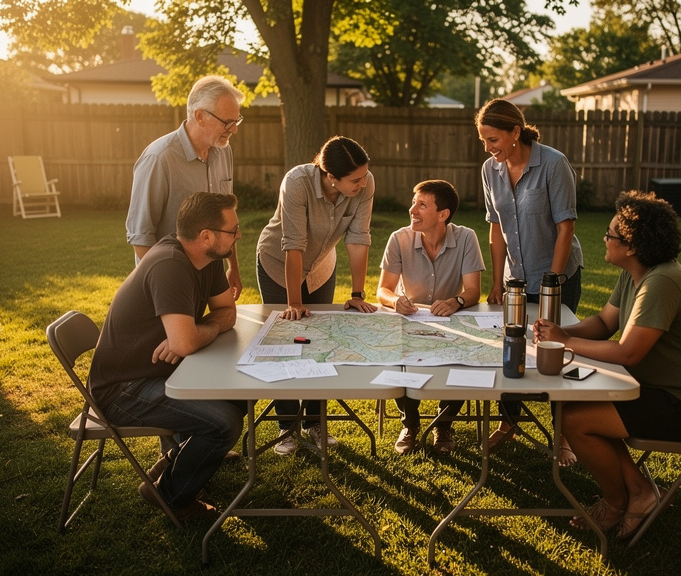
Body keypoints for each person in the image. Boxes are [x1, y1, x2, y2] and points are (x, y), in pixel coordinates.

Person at [533, 190, 681, 539]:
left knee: (576, 421)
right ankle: (639, 490)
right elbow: (605, 323)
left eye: (611, 234)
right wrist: (562, 331)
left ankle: (620, 500)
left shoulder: (661, 283)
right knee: (571, 404)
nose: (604, 238)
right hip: (664, 391)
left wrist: (566, 344)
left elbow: (628, 354)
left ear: (632, 246)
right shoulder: (637, 272)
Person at [90, 191, 247, 524]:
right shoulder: (170, 265)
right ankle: (171, 495)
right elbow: (187, 341)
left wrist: (199, 330)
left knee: (240, 395)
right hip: (122, 389)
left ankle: (174, 462)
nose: (239, 235)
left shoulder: (208, 260)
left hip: (158, 373)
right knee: (224, 423)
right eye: (233, 230)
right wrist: (193, 335)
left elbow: (226, 313)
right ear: (207, 236)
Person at [475, 98, 584, 464]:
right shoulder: (491, 170)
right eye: (484, 141)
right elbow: (496, 230)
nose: (489, 149)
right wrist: (496, 282)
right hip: (516, 281)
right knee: (511, 346)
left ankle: (564, 433)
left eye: (493, 140)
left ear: (515, 132)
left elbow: (565, 226)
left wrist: (551, 281)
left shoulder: (553, 164)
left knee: (553, 352)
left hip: (557, 275)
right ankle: (509, 422)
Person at [256, 135, 377, 455]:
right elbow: (292, 244)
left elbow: (358, 239)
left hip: (322, 266)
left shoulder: (365, 185)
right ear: (330, 177)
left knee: (318, 342)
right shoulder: (297, 182)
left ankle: (314, 422)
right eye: (355, 179)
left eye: (365, 175)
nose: (363, 184)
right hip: (278, 263)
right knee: (287, 342)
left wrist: (357, 293)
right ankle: (286, 428)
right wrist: (294, 302)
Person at [377, 180, 485, 455]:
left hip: (452, 321)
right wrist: (394, 301)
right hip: (409, 320)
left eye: (422, 204)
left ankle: (444, 423)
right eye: (414, 202)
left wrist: (456, 301)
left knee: (466, 358)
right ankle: (410, 425)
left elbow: (473, 291)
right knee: (399, 357)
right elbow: (383, 290)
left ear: (443, 214)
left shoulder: (466, 237)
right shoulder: (398, 238)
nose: (412, 209)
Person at [126, 75, 246, 300]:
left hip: (210, 273)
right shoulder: (159, 158)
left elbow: (227, 218)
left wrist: (233, 267)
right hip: (168, 279)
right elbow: (141, 237)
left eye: (236, 120)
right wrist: (168, 286)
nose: (234, 129)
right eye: (227, 122)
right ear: (200, 116)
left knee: (221, 328)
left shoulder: (223, 151)